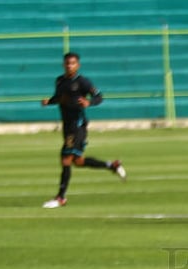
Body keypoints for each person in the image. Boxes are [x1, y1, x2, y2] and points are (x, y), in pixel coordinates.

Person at [41, 52, 126, 209]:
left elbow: (100, 96)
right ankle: (111, 166)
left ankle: (60, 198)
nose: (69, 66)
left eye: (72, 63)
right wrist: (49, 101)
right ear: (63, 65)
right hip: (67, 126)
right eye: (67, 63)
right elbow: (60, 98)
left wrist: (89, 102)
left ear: (78, 65)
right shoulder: (60, 81)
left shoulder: (83, 82)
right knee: (78, 161)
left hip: (77, 125)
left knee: (65, 159)